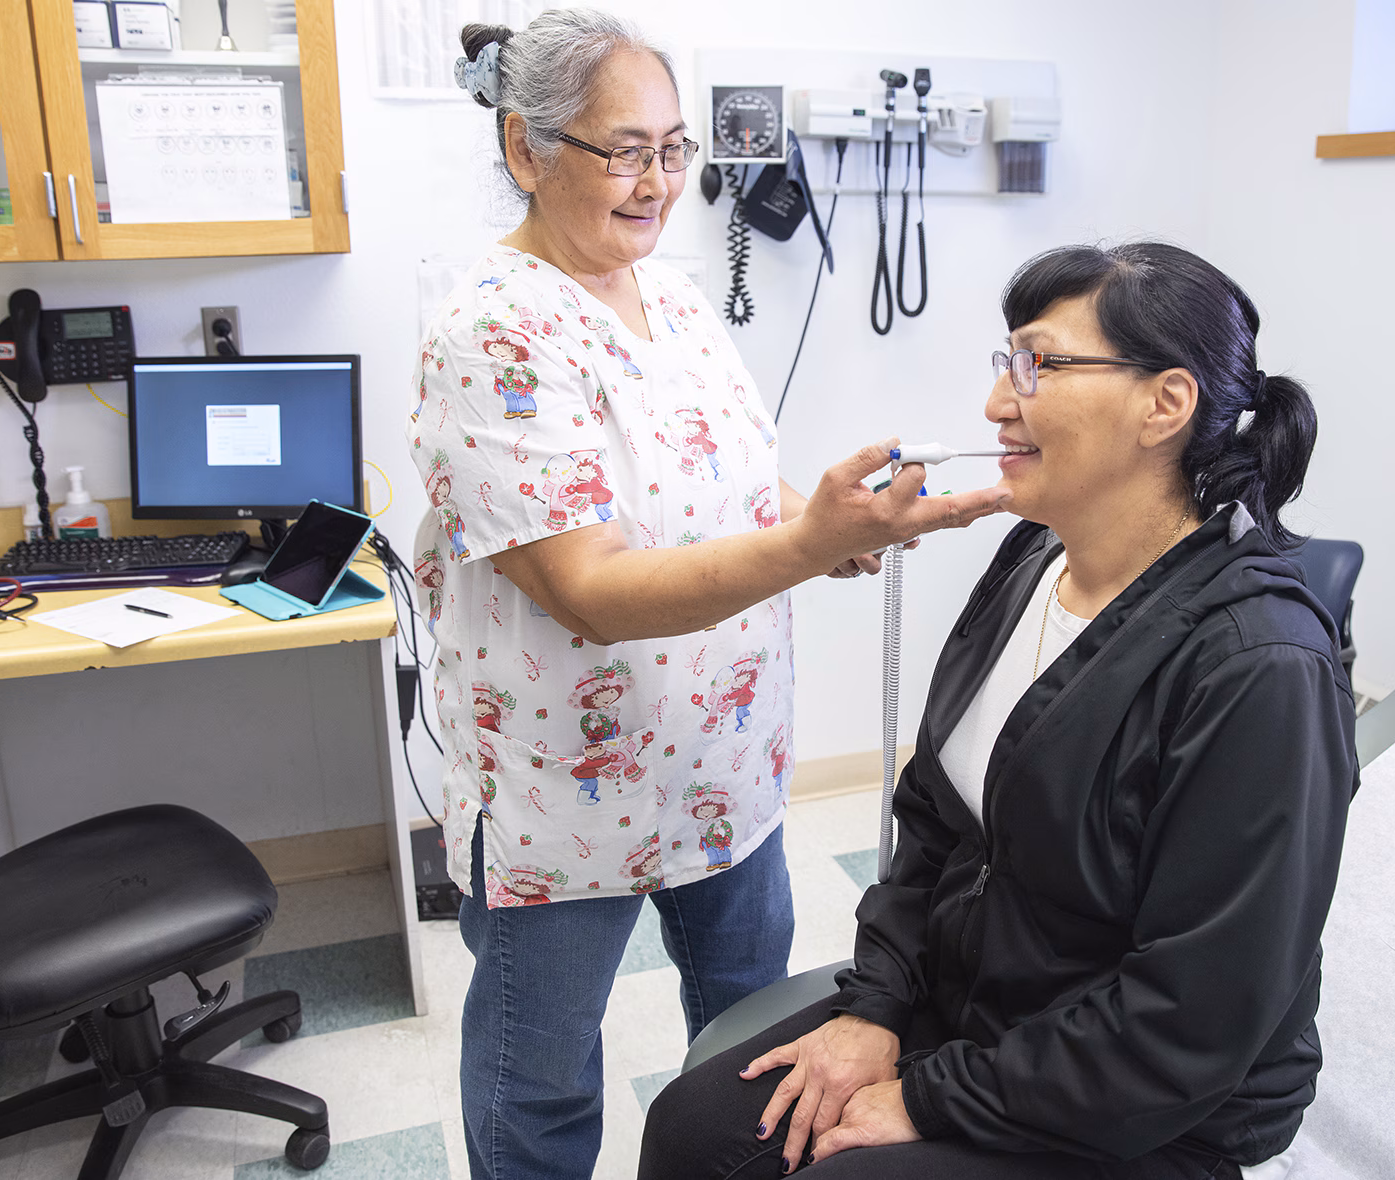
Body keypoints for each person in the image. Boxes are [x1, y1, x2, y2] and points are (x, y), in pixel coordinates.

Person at [406, 11, 1009, 1180]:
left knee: (748, 1050)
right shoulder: (494, 334)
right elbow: (590, 592)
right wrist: (806, 543)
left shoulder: (674, 296)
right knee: (541, 1081)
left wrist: (841, 529)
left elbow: (734, 483)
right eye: (624, 150)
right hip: (561, 799)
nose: (659, 183)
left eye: (675, 149)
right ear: (529, 151)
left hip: (722, 761)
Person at [640, 242, 1360, 1179]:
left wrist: (930, 1099)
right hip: (980, 1009)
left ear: (1165, 404)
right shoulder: (1031, 559)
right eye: (1005, 361)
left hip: (1142, 1104)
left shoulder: (1259, 668)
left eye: (1041, 364)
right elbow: (939, 819)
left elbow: (1193, 1015)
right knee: (690, 1132)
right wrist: (875, 1007)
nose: (996, 403)